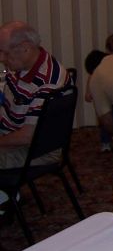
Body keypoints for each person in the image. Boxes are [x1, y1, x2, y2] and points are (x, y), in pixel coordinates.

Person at [0, 21, 72, 169]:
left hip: (34, 149)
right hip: (11, 132)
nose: (2, 58)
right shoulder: (22, 65)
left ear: (25, 48)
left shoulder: (47, 82)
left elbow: (27, 136)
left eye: (6, 53)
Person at [86, 34, 113, 152]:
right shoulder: (102, 62)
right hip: (106, 97)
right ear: (107, 51)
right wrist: (88, 91)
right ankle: (105, 142)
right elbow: (92, 75)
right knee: (105, 120)